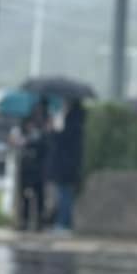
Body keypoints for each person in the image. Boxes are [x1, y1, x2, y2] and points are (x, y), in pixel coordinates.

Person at [46, 97, 86, 233]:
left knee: (65, 195)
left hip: (66, 166)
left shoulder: (72, 121)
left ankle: (63, 224)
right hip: (70, 165)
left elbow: (62, 140)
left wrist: (53, 131)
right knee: (65, 194)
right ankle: (64, 224)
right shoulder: (78, 119)